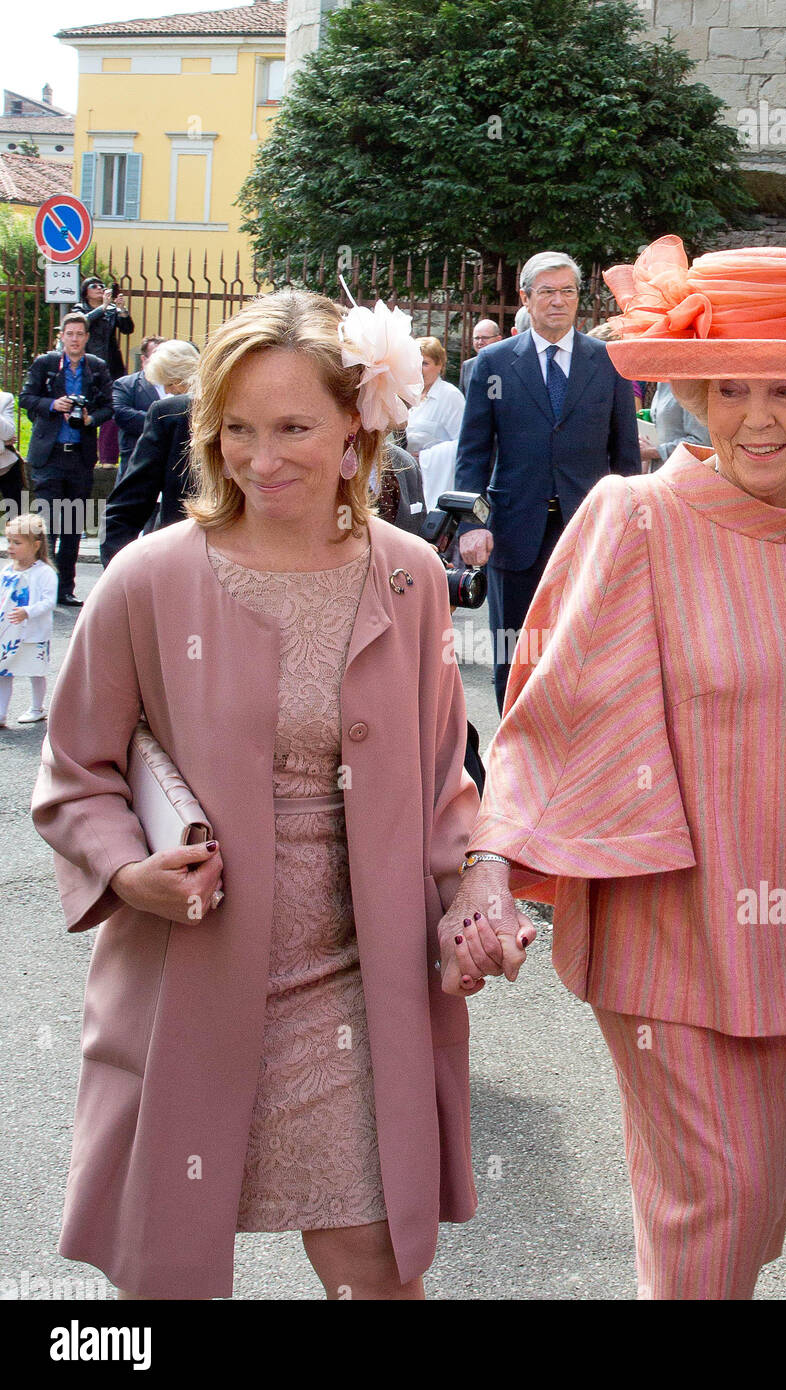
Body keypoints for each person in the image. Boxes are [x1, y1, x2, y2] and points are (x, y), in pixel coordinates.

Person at [438, 236, 786, 1299]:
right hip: (670, 931)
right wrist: (492, 865)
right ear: (694, 391)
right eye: (728, 387)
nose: (756, 416)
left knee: (751, 1213)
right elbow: (549, 711)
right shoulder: (635, 518)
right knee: (710, 1213)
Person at [31, 288, 489, 1301]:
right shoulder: (148, 578)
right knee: (170, 1273)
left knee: (371, 1268)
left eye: (292, 427)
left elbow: (444, 782)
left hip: (355, 990)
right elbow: (75, 775)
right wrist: (125, 869)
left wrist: (475, 888)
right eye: (234, 427)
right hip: (190, 979)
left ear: (354, 430)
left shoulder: (407, 578)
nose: (259, 455)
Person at [454, 250, 640, 710]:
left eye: (568, 292)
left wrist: (635, 524)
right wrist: (471, 524)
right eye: (547, 292)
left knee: (586, 648)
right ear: (526, 297)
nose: (558, 302)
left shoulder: (610, 362)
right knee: (516, 651)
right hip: (515, 532)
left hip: (589, 532)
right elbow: (473, 453)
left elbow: (626, 456)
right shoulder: (492, 365)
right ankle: (512, 757)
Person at [20, 311, 113, 606]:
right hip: (49, 456)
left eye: (80, 334)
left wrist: (89, 419)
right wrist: (51, 404)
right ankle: (41, 585)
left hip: (80, 457)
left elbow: (110, 406)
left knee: (73, 524)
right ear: (62, 336)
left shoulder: (96, 368)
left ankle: (65, 588)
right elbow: (26, 398)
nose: (74, 339)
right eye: (69, 334)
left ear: (86, 337)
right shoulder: (46, 364)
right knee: (48, 522)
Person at [100, 340, 200, 564]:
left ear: (178, 377)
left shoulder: (171, 414)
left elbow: (127, 506)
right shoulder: (173, 414)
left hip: (181, 548)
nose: (166, 391)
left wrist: (117, 570)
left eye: (169, 384)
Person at [0, 513, 58, 727]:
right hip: (8, 632)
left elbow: (49, 602)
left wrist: (28, 611)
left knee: (35, 671)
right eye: (9, 541)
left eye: (17, 542)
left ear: (35, 545)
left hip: (33, 634)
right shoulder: (6, 570)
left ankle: (37, 707)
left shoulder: (45, 573)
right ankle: (1, 713)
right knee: (3, 672)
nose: (10, 547)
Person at [74, 275, 136, 469]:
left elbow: (128, 328)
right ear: (85, 291)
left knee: (112, 410)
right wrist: (102, 308)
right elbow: (81, 323)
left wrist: (121, 309)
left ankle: (108, 460)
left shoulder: (110, 310)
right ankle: (83, 456)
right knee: (85, 408)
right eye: (94, 286)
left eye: (102, 285)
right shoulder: (80, 309)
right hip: (87, 367)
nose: (100, 288)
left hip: (112, 366)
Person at [112, 336, 165, 479]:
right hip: (136, 464)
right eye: (156, 356)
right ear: (143, 360)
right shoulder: (126, 384)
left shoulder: (178, 385)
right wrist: (163, 421)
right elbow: (121, 414)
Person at [404, 337, 465, 458]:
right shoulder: (407, 393)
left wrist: (426, 457)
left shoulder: (450, 396)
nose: (418, 368)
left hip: (433, 473)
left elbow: (463, 442)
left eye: (424, 363)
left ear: (440, 366)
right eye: (415, 362)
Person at [459, 319, 503, 394]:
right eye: (476, 338)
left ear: (498, 339)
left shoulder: (507, 365)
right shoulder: (467, 366)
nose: (480, 342)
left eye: (485, 338)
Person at [0, 388, 25, 514]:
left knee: (16, 521)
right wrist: (2, 443)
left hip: (6, 465)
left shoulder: (5, 398)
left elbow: (8, 433)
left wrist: (5, 441)